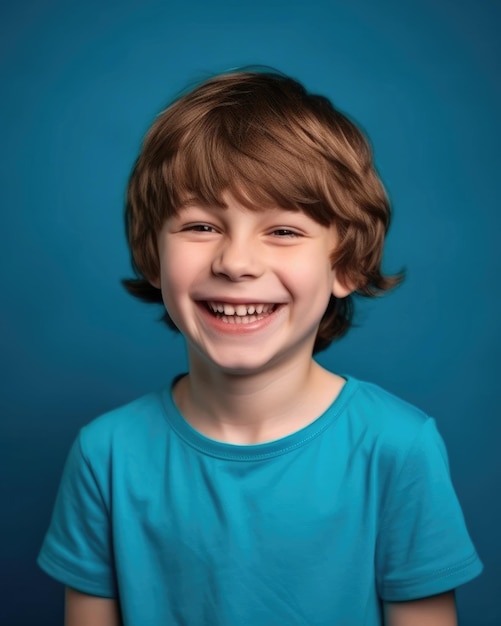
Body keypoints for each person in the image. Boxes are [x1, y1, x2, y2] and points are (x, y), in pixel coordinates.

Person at [38, 69, 482, 626]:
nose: (236, 262)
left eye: (284, 231)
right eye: (200, 226)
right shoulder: (105, 455)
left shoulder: (398, 449)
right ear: (152, 256)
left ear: (345, 265)